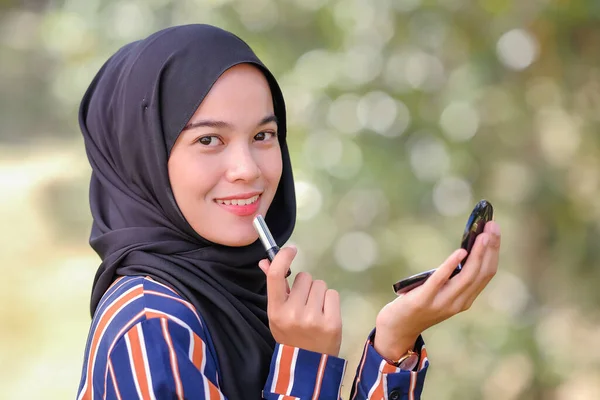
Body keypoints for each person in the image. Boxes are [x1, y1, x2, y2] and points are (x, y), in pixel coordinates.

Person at [75, 24, 501, 400]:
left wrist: (395, 341)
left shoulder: (242, 296)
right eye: (209, 140)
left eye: (263, 134)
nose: (248, 170)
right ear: (140, 156)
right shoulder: (152, 325)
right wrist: (301, 365)